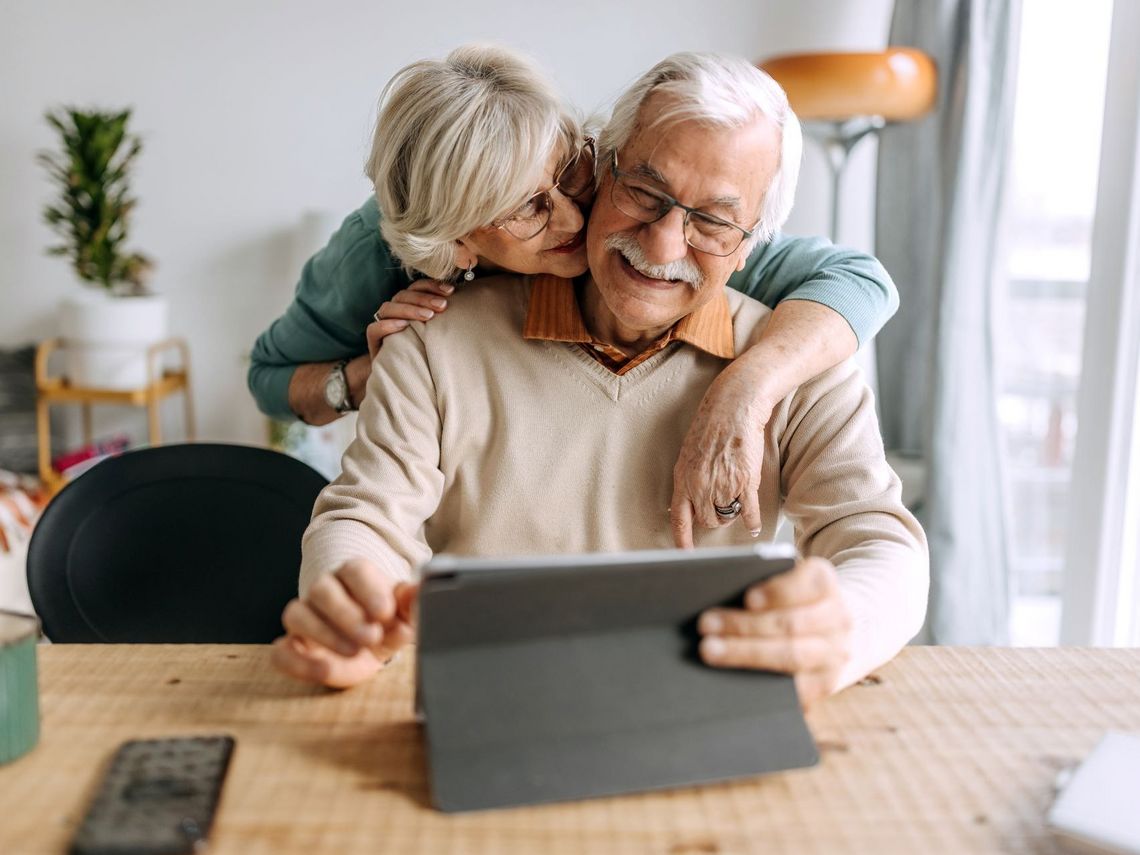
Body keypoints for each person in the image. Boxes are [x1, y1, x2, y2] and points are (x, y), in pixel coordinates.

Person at [271, 51, 929, 706]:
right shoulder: (426, 341)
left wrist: (844, 625)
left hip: (700, 704)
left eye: (713, 221)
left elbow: (878, 542)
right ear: (603, 169)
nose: (665, 245)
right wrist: (353, 600)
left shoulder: (800, 356)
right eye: (645, 192)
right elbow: (364, 518)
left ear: (755, 240)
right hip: (490, 697)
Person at [247, 45, 900, 546]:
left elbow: (863, 282)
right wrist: (371, 375)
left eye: (569, 170)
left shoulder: (647, 212)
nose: (572, 217)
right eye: (528, 209)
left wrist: (746, 389)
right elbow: (272, 382)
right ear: (459, 246)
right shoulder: (376, 260)